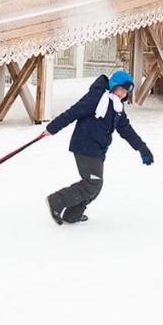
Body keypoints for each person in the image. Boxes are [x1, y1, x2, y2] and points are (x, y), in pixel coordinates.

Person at [41, 69, 152, 225]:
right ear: (114, 85)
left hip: (97, 149)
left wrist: (142, 148)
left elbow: (126, 130)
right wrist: (52, 128)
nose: (122, 94)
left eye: (126, 92)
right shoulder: (96, 97)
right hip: (84, 145)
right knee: (93, 183)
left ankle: (72, 215)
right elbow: (73, 112)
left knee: (95, 185)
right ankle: (56, 201)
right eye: (121, 89)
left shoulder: (117, 107)